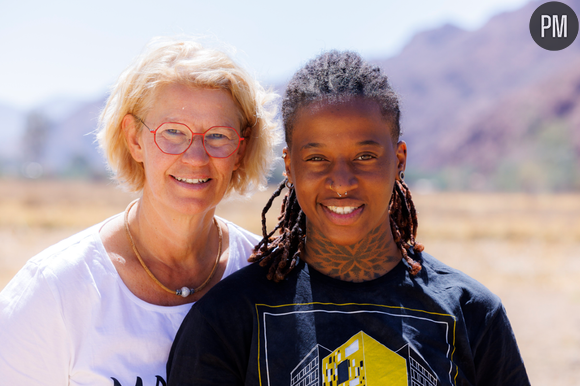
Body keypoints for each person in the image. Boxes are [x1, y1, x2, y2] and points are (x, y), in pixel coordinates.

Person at [166, 51, 531, 386]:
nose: (342, 181)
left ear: (399, 160)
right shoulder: (229, 319)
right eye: (317, 158)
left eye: (365, 156)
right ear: (290, 166)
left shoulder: (470, 314)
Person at [0, 37, 279, 385]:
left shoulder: (269, 277)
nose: (195, 157)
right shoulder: (56, 290)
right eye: (173, 132)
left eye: (218, 136)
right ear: (134, 139)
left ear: (241, 148)